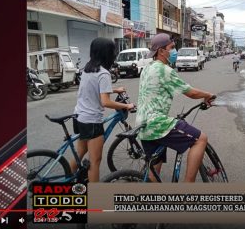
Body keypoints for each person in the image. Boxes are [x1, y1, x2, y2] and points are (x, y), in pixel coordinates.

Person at [135, 33, 215, 182]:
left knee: (154, 170)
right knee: (200, 139)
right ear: (161, 51)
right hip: (157, 123)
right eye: (172, 48)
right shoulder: (164, 70)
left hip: (143, 125)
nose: (174, 51)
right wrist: (208, 94)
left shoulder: (147, 68)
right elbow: (190, 92)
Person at [69, 37, 135, 182]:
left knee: (80, 153)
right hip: (92, 121)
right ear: (107, 53)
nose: (115, 53)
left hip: (79, 116)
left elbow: (93, 90)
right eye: (113, 50)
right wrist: (126, 106)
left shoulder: (88, 68)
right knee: (95, 161)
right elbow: (105, 102)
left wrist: (115, 90)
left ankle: (69, 180)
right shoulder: (104, 73)